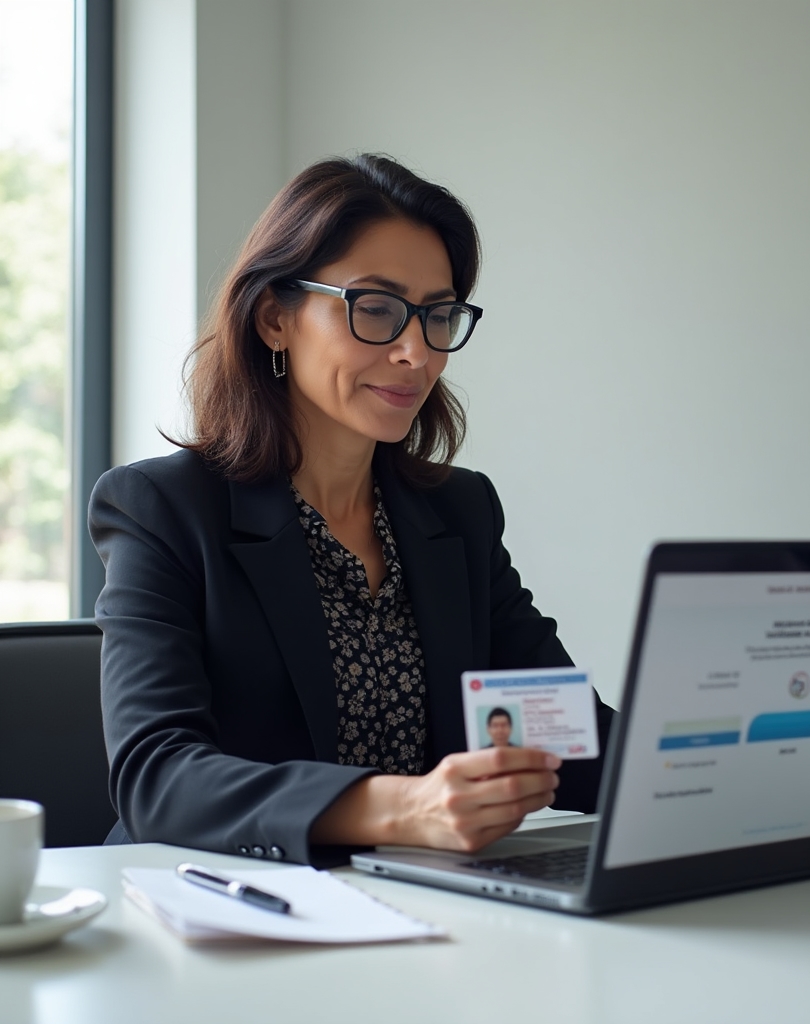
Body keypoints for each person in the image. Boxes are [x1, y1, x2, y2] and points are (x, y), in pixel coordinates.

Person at [90, 155, 615, 866]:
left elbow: (564, 738)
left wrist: (734, 761)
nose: (415, 352)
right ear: (276, 317)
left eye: (438, 315)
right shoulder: (162, 508)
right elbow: (158, 778)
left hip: (418, 911)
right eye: (375, 308)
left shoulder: (457, 512)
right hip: (213, 911)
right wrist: (408, 807)